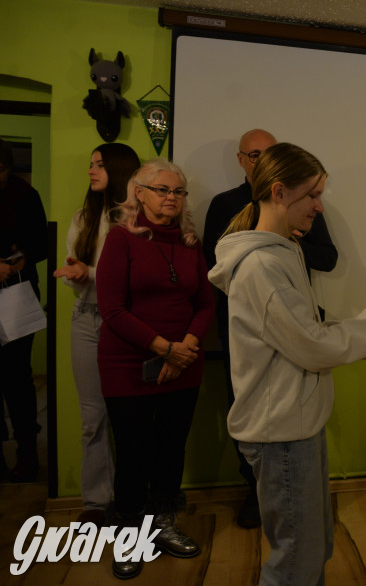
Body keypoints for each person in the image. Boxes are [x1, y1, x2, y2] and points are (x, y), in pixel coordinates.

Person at [208, 142, 366, 586]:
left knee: (313, 548)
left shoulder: (285, 250)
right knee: (297, 562)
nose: (319, 207)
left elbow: (308, 333)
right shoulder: (261, 266)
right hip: (281, 433)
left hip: (297, 425)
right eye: (312, 195)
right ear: (279, 192)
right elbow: (314, 346)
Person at [202, 127, 338, 528]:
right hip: (252, 331)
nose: (318, 206)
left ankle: (282, 499)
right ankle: (257, 490)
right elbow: (213, 266)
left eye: (270, 153)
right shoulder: (242, 234)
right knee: (257, 411)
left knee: (305, 524)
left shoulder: (296, 222)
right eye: (254, 155)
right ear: (242, 161)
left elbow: (327, 258)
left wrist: (291, 241)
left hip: (294, 335)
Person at [96, 158, 215, 580]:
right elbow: (112, 309)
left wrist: (186, 347)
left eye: (178, 191)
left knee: (170, 448)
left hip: (185, 362)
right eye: (162, 189)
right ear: (139, 193)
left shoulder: (190, 242)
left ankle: (162, 523)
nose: (171, 198)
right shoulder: (120, 239)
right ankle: (129, 535)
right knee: (133, 452)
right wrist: (165, 349)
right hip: (128, 364)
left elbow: (206, 303)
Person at [54, 143, 140, 525]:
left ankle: (131, 500)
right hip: (87, 319)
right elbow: (76, 275)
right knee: (93, 418)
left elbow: (129, 277)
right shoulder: (82, 217)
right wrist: (76, 274)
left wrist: (87, 273)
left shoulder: (136, 219)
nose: (91, 170)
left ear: (119, 169)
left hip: (125, 324)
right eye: (91, 164)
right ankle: (96, 501)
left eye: (99, 165)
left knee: (131, 416)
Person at [0, 139, 48, 483]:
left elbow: (41, 242)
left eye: (2, 169)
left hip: (17, 293)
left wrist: (22, 258)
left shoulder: (25, 195)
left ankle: (27, 453)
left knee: (17, 376)